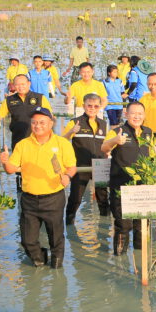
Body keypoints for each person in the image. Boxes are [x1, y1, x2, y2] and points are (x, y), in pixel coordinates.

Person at [0, 107, 77, 268]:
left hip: (54, 197)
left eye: (42, 122)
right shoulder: (23, 144)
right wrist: (5, 162)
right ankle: (40, 259)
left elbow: (71, 167)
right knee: (27, 240)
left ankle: (57, 268)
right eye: (34, 122)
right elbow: (11, 169)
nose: (37, 126)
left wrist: (67, 177)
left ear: (51, 123)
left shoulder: (62, 143)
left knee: (56, 237)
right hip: (29, 199)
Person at [101, 101, 151, 255]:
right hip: (121, 186)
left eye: (140, 114)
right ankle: (119, 261)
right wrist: (115, 141)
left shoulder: (148, 132)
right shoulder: (117, 131)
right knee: (123, 225)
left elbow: (152, 153)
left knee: (142, 225)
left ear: (144, 115)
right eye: (133, 113)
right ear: (126, 114)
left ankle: (140, 257)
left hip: (143, 187)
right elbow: (104, 148)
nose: (137, 116)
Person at [63, 94, 109, 224]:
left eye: (95, 106)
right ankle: (69, 223)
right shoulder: (74, 122)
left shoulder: (104, 124)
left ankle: (105, 226)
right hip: (81, 167)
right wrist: (71, 131)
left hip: (100, 166)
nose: (92, 108)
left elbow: (107, 145)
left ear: (99, 107)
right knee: (75, 198)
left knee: (103, 198)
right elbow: (62, 142)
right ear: (83, 106)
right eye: (89, 106)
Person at [0, 73, 52, 149]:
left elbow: (50, 117)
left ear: (29, 84)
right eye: (17, 85)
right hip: (18, 139)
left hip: (38, 139)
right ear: (14, 86)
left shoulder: (40, 98)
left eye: (23, 84)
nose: (20, 87)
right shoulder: (9, 100)